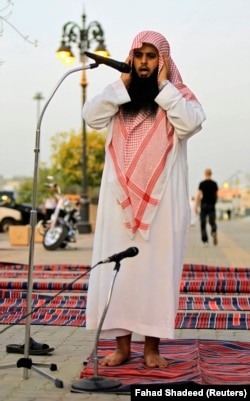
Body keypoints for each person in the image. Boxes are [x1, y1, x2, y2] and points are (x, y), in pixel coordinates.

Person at [82, 30, 206, 368]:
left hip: (162, 204)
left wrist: (166, 88)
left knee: (155, 273)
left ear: (163, 61)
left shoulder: (177, 95)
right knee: (119, 273)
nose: (144, 63)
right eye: (139, 56)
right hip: (119, 201)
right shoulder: (120, 96)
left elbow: (191, 123)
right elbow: (91, 117)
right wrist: (121, 85)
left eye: (152, 57)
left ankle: (151, 348)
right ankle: (122, 348)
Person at [195, 168, 218, 246]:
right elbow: (216, 195)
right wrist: (214, 202)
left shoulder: (202, 183)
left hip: (204, 205)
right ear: (211, 174)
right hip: (212, 205)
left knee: (203, 223)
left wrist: (196, 206)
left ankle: (205, 241)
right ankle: (214, 231)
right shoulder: (214, 184)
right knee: (212, 221)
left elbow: (198, 195)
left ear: (205, 174)